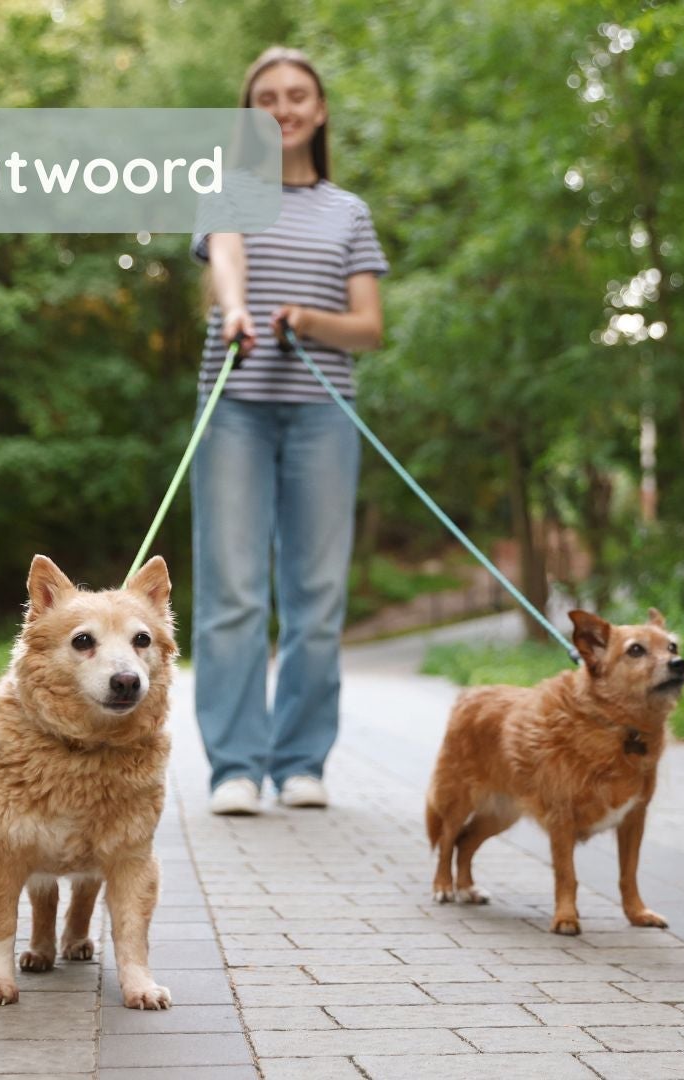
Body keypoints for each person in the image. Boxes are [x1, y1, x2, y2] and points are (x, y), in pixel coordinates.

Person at [189, 46, 388, 815]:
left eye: (297, 95)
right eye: (266, 97)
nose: (282, 107)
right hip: (233, 406)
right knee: (233, 591)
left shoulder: (349, 212)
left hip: (322, 411)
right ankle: (234, 766)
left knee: (316, 593)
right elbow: (228, 263)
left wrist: (310, 320)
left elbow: (369, 327)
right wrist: (237, 311)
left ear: (320, 109)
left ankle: (302, 760)